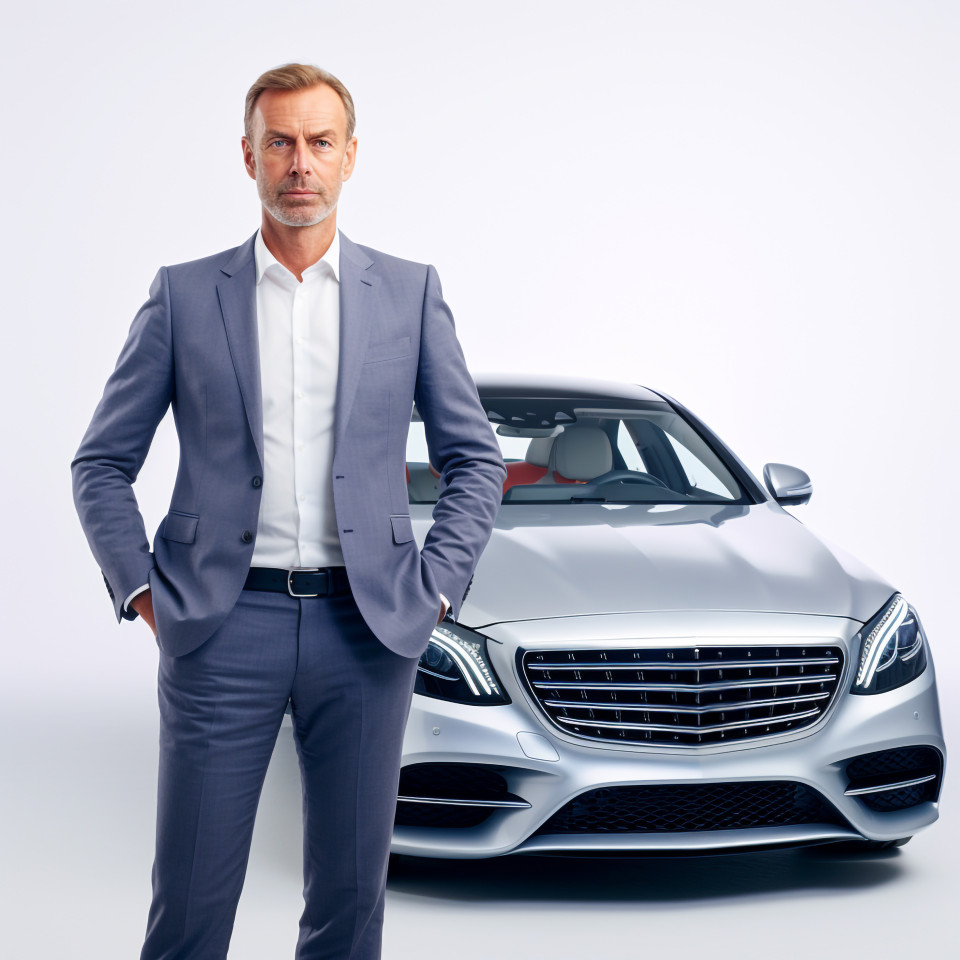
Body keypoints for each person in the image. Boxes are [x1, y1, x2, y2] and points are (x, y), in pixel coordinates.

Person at [71, 63, 506, 960]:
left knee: (350, 907)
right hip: (220, 626)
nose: (298, 162)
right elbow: (102, 462)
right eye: (279, 143)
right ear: (248, 157)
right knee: (191, 906)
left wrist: (436, 591)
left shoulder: (411, 293)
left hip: (369, 627)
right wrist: (145, 595)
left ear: (350, 157)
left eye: (317, 142)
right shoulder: (185, 296)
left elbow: (475, 459)